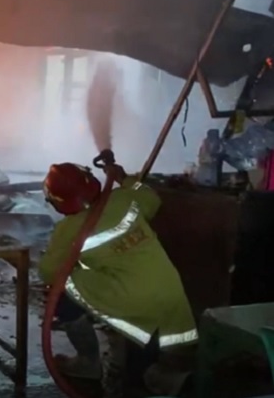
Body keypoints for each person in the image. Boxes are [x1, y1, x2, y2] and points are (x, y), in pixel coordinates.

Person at [39, 161, 197, 395]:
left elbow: (48, 271)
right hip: (169, 288)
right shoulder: (124, 199)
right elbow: (152, 199)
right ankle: (164, 376)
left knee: (62, 288)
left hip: (133, 298)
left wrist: (77, 263)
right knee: (142, 360)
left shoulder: (69, 230)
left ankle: (89, 362)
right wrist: (124, 178)